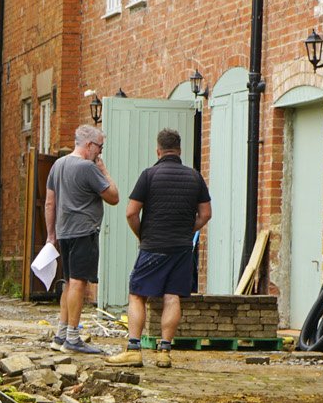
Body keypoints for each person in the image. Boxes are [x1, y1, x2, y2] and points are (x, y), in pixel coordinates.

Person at [123, 127, 211, 352]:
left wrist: (142, 234)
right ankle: (165, 350)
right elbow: (206, 214)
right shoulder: (194, 176)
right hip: (181, 248)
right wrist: (186, 230)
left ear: (158, 151)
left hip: (153, 245)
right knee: (172, 297)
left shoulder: (149, 175)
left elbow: (131, 212)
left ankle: (133, 348)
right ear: (179, 150)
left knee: (137, 294)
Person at [42, 123, 117, 353]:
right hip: (84, 230)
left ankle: (61, 334)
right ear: (88, 145)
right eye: (100, 147)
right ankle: (73, 338)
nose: (100, 152)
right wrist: (104, 170)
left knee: (68, 281)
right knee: (78, 282)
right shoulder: (88, 168)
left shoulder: (58, 165)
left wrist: (50, 235)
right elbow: (114, 197)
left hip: (64, 231)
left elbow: (49, 202)